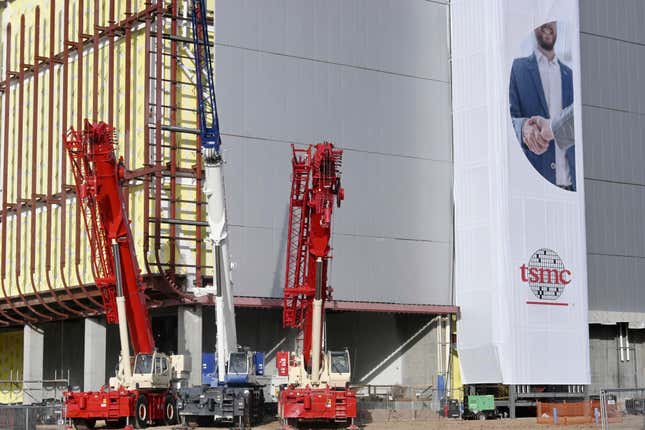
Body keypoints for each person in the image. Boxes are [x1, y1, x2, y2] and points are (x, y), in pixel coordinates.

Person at [510, 21, 576, 191]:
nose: (547, 26)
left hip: (572, 183)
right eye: (542, 22)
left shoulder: (571, 75)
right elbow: (507, 119)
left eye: (551, 22)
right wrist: (524, 127)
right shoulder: (517, 69)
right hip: (537, 182)